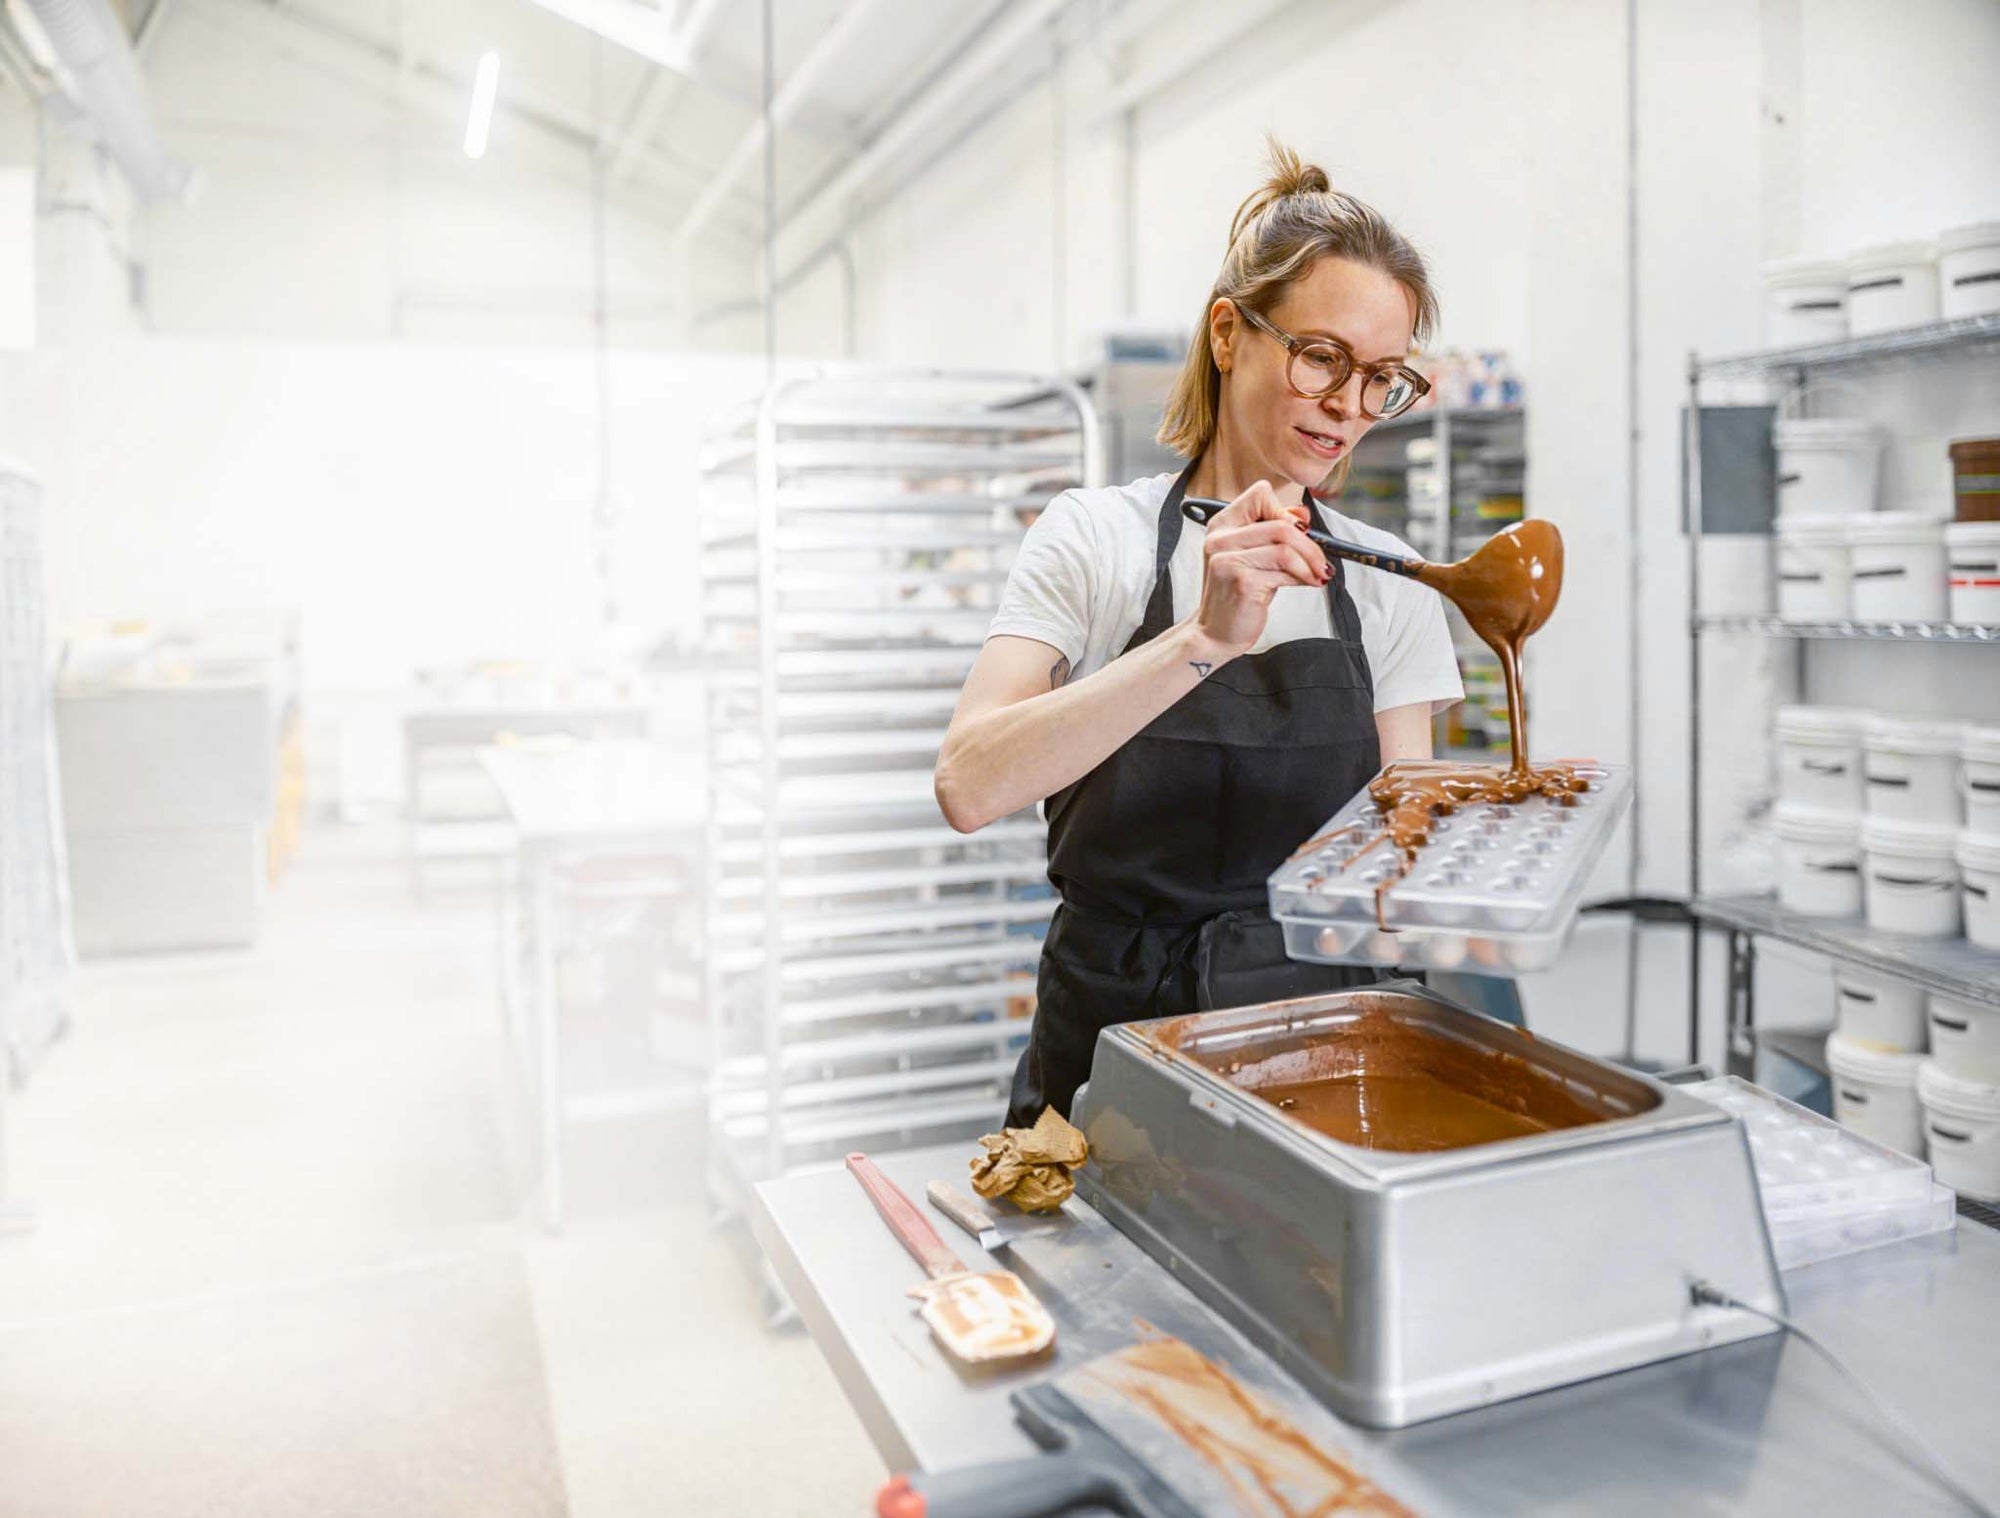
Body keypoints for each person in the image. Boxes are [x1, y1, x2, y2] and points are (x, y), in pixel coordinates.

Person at [935, 141, 1464, 1125]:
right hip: (1110, 1073)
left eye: (1381, 378)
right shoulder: (1095, 538)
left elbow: (1399, 863)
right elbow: (969, 784)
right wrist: (1199, 639)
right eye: (1321, 358)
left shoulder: (1391, 585)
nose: (1349, 407)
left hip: (1319, 1065)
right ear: (1229, 334)